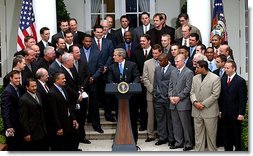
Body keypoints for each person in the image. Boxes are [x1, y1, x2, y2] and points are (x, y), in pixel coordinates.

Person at [107, 48, 140, 143]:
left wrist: (133, 84)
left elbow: (136, 76)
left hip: (131, 99)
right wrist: (112, 84)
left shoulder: (132, 65)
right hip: (118, 100)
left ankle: (134, 140)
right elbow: (109, 80)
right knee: (120, 119)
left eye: (115, 55)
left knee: (132, 120)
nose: (113, 57)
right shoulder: (112, 67)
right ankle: (121, 139)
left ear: (121, 56)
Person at [190, 60, 221, 151]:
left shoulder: (215, 78)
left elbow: (215, 95)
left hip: (209, 111)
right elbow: (192, 92)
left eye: (197, 67)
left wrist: (202, 104)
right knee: (198, 135)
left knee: (211, 135)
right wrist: (195, 102)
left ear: (203, 68)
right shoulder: (195, 78)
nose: (196, 69)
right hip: (196, 111)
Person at [46, 72, 80, 151]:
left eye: (65, 78)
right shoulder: (52, 93)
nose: (65, 80)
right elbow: (53, 113)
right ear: (57, 80)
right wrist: (58, 128)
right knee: (60, 147)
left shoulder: (63, 89)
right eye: (63, 79)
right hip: (60, 125)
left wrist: (73, 119)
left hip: (67, 122)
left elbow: (68, 106)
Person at [219, 60, 247, 151]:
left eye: (228, 68)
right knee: (226, 137)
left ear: (233, 68)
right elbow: (221, 97)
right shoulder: (223, 79)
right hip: (225, 114)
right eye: (225, 68)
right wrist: (220, 110)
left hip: (235, 114)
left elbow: (242, 99)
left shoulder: (240, 81)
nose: (225, 69)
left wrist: (241, 113)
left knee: (236, 137)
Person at [168, 54, 194, 151]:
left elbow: (188, 88)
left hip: (183, 103)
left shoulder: (189, 72)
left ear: (183, 61)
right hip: (173, 102)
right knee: (176, 124)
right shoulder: (173, 72)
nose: (176, 63)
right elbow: (170, 85)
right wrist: (170, 97)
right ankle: (178, 142)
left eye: (178, 61)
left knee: (186, 125)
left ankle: (188, 143)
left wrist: (179, 97)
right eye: (175, 61)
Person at [18, 78, 48, 151]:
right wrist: (26, 133)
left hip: (41, 131)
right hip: (32, 132)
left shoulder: (38, 94)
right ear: (27, 87)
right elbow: (23, 119)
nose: (35, 88)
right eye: (32, 86)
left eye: (35, 86)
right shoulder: (23, 100)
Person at [153, 53, 176, 146]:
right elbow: (155, 82)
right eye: (158, 60)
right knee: (160, 119)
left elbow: (174, 85)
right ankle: (162, 137)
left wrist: (169, 95)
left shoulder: (173, 70)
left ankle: (171, 139)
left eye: (161, 60)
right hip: (158, 98)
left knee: (170, 120)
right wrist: (155, 93)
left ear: (166, 60)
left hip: (168, 98)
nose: (159, 62)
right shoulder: (157, 68)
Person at [142, 44, 162, 142]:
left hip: (163, 94)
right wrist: (152, 89)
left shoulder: (166, 62)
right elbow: (145, 78)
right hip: (150, 93)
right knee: (150, 115)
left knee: (161, 115)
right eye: (153, 53)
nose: (154, 55)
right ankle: (150, 135)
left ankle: (161, 135)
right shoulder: (147, 63)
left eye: (156, 53)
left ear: (160, 52)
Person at [1, 70, 23, 151]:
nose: (18, 80)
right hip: (12, 126)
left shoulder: (18, 88)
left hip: (18, 124)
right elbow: (5, 111)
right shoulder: (7, 91)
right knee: (13, 148)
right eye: (16, 78)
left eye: (19, 78)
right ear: (11, 78)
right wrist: (9, 126)